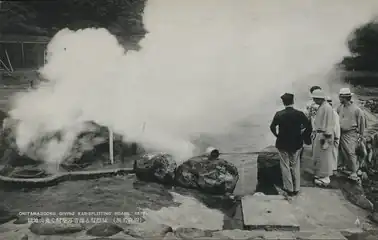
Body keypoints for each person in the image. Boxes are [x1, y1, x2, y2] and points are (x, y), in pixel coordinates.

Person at [270, 93, 310, 196]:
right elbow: (308, 125)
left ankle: (289, 188)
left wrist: (277, 135)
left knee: (285, 165)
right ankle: (296, 188)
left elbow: (272, 127)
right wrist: (302, 134)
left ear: (283, 102)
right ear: (293, 101)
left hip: (282, 143)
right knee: (295, 165)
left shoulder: (279, 114)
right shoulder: (299, 114)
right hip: (296, 143)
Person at [337, 88, 366, 181]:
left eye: (340, 97)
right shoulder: (340, 107)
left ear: (344, 97)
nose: (339, 98)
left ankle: (354, 171)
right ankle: (344, 167)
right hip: (341, 133)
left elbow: (361, 124)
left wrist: (361, 136)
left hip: (351, 133)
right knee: (342, 151)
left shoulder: (356, 110)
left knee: (351, 152)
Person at [311, 89, 335, 187]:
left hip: (324, 135)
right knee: (319, 156)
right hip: (320, 133)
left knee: (324, 157)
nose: (314, 100)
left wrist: (326, 139)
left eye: (315, 98)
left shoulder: (327, 108)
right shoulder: (322, 107)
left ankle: (325, 177)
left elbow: (329, 124)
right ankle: (320, 174)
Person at [326, 96, 341, 172]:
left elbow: (336, 127)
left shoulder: (334, 114)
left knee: (334, 152)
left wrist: (337, 137)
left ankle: (333, 168)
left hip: (333, 135)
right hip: (328, 135)